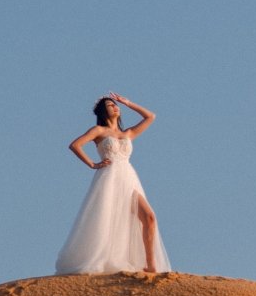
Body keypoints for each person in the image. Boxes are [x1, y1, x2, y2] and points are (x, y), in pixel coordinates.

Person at [55, 93, 170, 274]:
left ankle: (150, 265)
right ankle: (105, 258)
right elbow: (75, 145)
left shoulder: (128, 133)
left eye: (116, 105)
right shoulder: (98, 131)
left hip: (128, 177)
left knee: (149, 217)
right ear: (103, 111)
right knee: (107, 220)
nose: (115, 107)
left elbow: (150, 117)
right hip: (109, 178)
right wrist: (93, 164)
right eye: (110, 105)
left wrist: (128, 102)